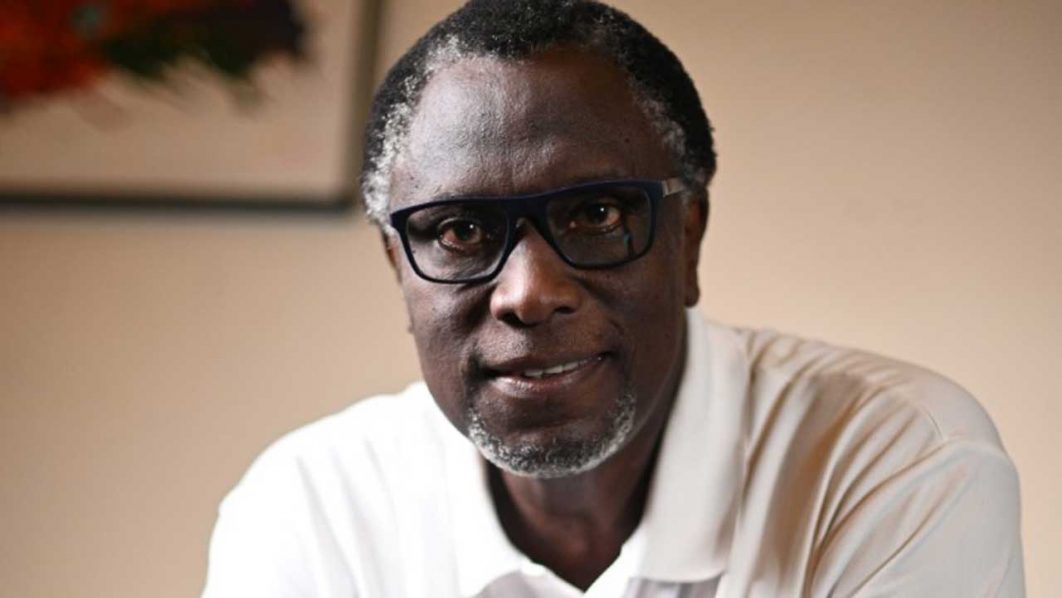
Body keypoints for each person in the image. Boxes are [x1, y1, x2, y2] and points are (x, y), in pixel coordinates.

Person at [203, 1, 1024, 596]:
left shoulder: (896, 460)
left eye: (596, 215)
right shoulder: (312, 507)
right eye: (461, 231)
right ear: (398, 266)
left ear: (688, 238)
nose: (529, 294)